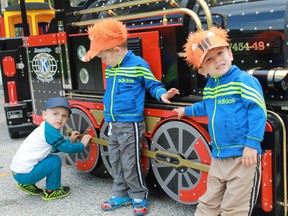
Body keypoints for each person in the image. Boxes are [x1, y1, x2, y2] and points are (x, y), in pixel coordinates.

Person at [84, 19, 179, 216]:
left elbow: (152, 83)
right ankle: (120, 193)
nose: (103, 61)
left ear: (117, 50)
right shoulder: (112, 68)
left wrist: (163, 94)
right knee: (115, 159)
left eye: (103, 57)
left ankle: (138, 195)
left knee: (130, 160)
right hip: (112, 121)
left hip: (130, 123)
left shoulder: (138, 65)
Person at [173, 27, 267, 216]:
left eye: (220, 53)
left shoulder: (243, 80)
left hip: (242, 156)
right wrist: (185, 110)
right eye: (209, 59)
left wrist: (252, 144)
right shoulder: (211, 87)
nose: (217, 59)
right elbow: (206, 106)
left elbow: (258, 110)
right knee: (208, 203)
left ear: (230, 54)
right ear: (202, 70)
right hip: (219, 155)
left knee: (234, 208)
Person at [10, 97, 92, 201]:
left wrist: (70, 140)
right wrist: (82, 144)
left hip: (18, 172)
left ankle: (26, 184)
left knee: (48, 157)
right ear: (45, 115)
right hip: (24, 175)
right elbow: (66, 148)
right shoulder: (50, 131)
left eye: (64, 116)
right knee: (55, 160)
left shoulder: (45, 128)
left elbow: (54, 148)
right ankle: (52, 191)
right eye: (55, 114)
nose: (60, 118)